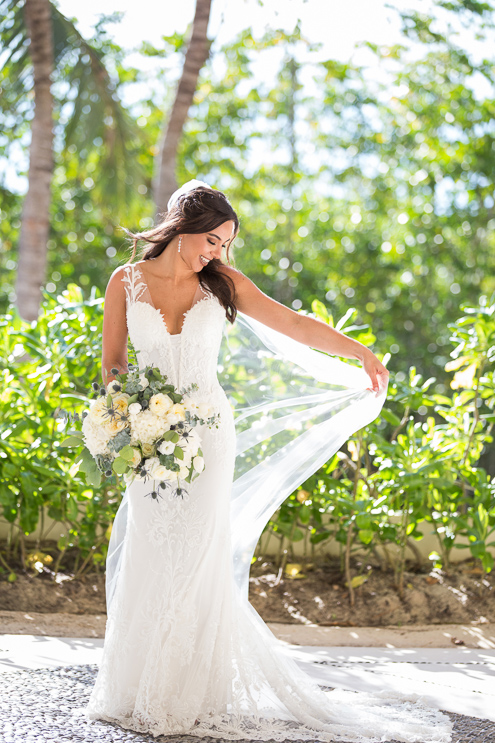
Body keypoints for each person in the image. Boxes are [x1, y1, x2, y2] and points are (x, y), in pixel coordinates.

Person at [83, 181, 453, 743]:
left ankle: (188, 692)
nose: (216, 252)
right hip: (148, 437)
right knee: (152, 549)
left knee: (198, 554)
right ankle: (135, 688)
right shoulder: (125, 280)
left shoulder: (223, 283)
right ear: (183, 225)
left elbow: (294, 322)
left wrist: (359, 352)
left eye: (224, 244)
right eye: (211, 239)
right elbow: (112, 362)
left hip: (208, 433)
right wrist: (128, 419)